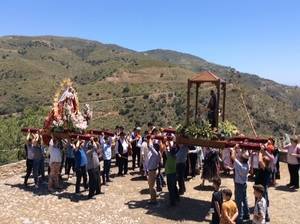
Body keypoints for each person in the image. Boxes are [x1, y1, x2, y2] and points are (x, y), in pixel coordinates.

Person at [231, 145, 250, 224]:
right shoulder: (247, 165)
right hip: (244, 184)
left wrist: (234, 149)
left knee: (238, 202)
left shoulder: (239, 164)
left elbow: (232, 157)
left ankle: (240, 218)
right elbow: (243, 157)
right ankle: (247, 214)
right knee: (244, 199)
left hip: (239, 184)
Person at [147, 136, 161, 205]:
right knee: (152, 185)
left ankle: (153, 200)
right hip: (152, 170)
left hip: (152, 171)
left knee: (152, 186)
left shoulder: (156, 154)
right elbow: (150, 147)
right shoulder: (157, 154)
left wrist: (150, 138)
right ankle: (153, 197)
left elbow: (150, 146)